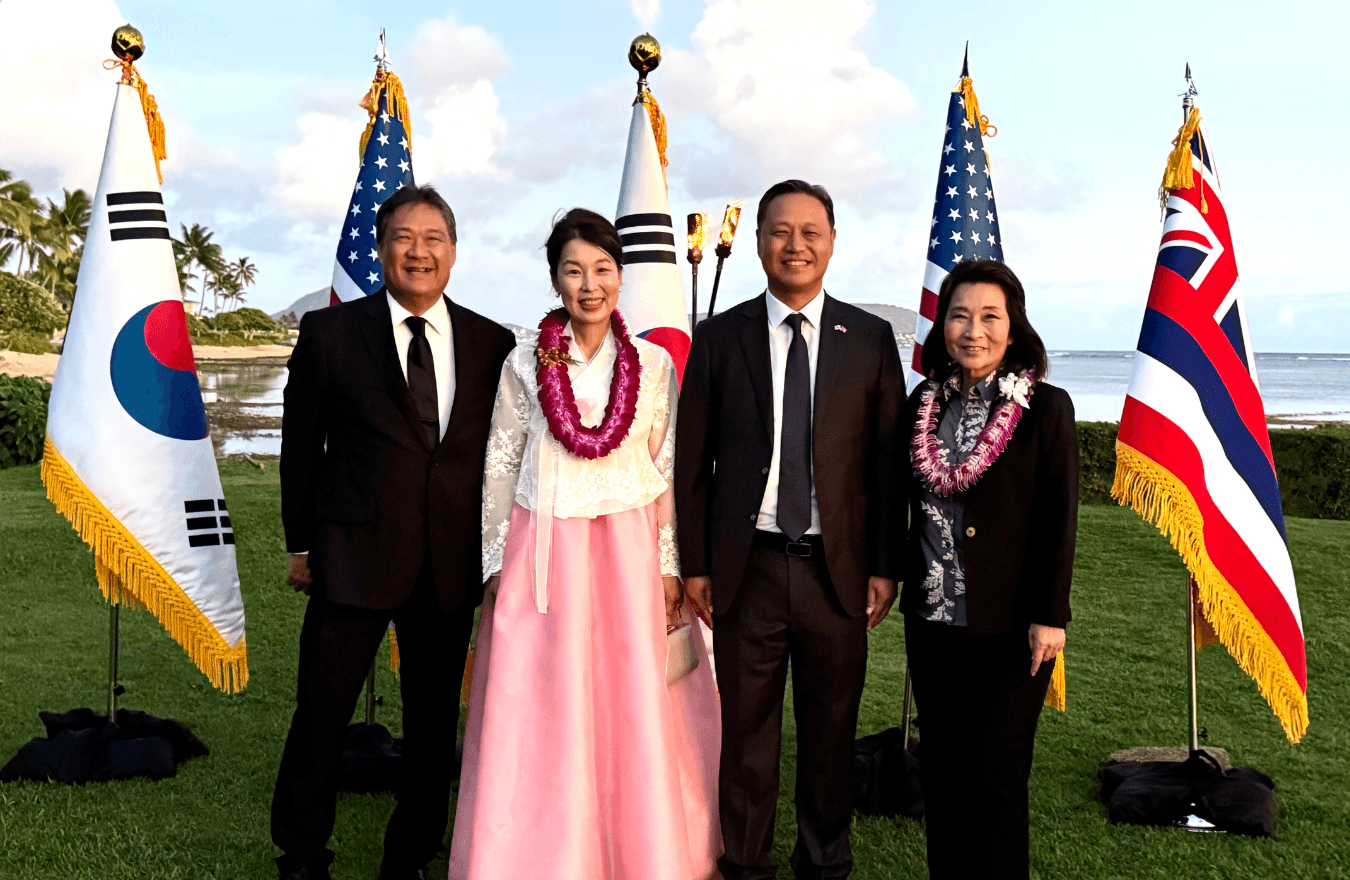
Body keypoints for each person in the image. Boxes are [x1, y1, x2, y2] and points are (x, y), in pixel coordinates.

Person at [448, 208, 722, 880]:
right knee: (544, 696)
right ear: (555, 280)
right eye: (574, 270)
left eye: (602, 269)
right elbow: (500, 463)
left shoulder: (654, 365)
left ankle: (642, 849)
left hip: (628, 551)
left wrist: (668, 563)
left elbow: (667, 466)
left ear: (621, 277)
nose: (589, 284)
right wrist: (492, 561)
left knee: (631, 697)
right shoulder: (524, 362)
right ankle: (536, 853)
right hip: (544, 546)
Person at [272, 185, 516, 880]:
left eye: (433, 238)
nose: (419, 251)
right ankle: (301, 854)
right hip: (349, 557)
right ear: (380, 250)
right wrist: (302, 544)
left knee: (434, 729)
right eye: (404, 238)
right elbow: (299, 446)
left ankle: (408, 857)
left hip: (447, 566)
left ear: (454, 252)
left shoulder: (492, 342)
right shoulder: (330, 334)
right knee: (321, 717)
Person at [674, 180, 904, 880]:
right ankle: (745, 866)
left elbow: (887, 462)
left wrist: (885, 563)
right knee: (747, 738)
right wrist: (695, 562)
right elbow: (692, 462)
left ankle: (824, 863)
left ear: (832, 242)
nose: (795, 244)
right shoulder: (718, 338)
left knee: (831, 734)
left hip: (839, 572)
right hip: (750, 568)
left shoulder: (869, 340)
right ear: (758, 242)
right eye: (780, 230)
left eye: (811, 231)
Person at [897, 259, 1078, 880]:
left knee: (998, 779)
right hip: (932, 623)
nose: (972, 330)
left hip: (1010, 630)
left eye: (989, 316)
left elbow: (1060, 518)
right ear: (942, 324)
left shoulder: (1045, 408)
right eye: (959, 315)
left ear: (1012, 326)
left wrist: (1050, 617)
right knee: (943, 777)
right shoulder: (922, 402)